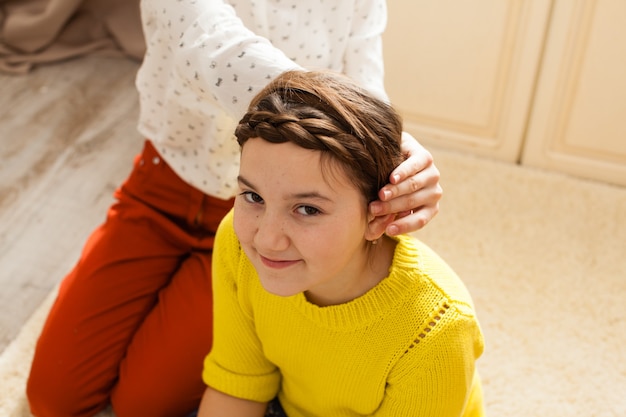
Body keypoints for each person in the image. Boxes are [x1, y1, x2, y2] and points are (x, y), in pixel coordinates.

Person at [26, 1, 442, 417]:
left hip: (261, 216)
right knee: (53, 398)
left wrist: (397, 164)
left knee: (143, 405)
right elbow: (212, 45)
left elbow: (364, 81)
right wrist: (366, 134)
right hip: (167, 185)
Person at [197, 70, 484, 417]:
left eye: (307, 209)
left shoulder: (437, 329)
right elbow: (238, 385)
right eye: (254, 196)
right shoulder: (240, 243)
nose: (267, 239)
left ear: (378, 216)